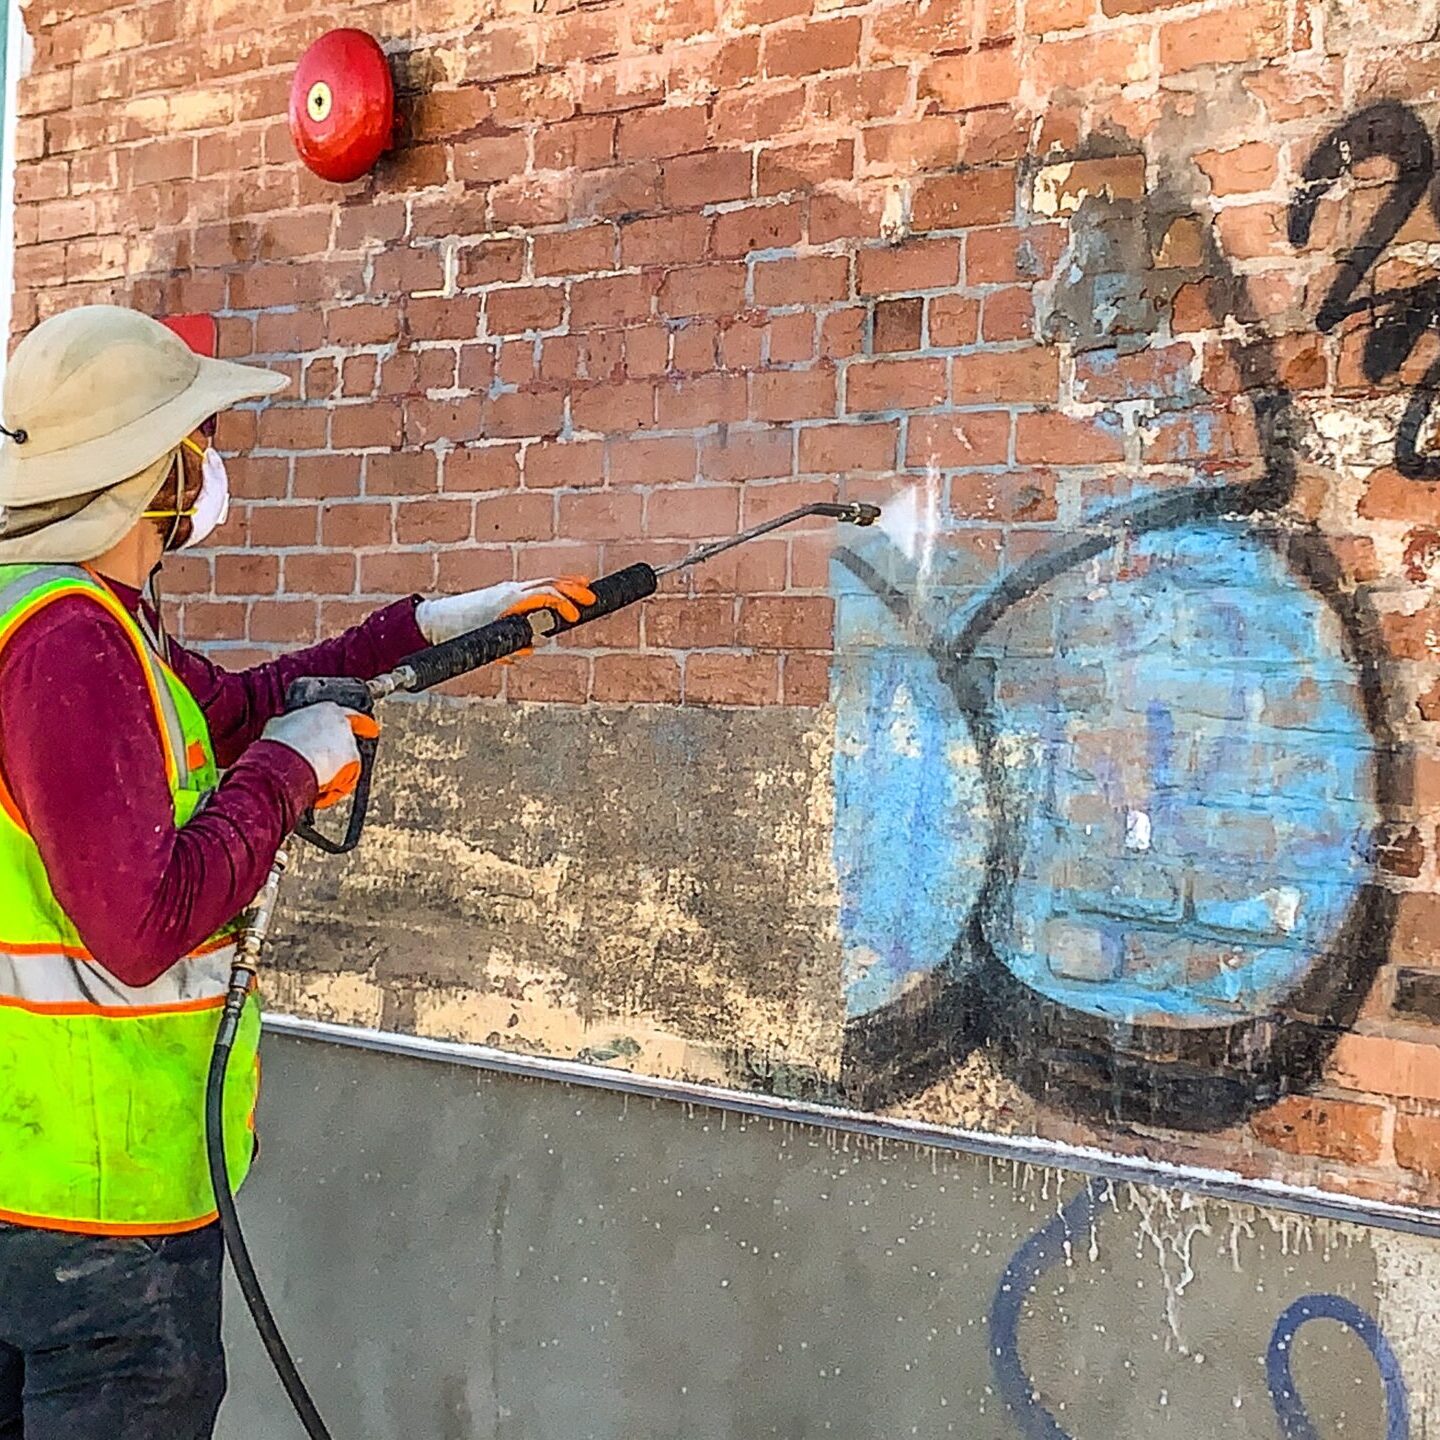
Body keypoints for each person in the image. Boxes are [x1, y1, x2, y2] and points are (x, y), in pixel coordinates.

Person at [0, 305, 595, 1439]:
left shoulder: (75, 621)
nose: (212, 469)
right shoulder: (69, 643)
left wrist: (426, 626)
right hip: (94, 1225)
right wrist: (282, 779)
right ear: (152, 472)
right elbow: (139, 925)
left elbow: (245, 710)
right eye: (201, 444)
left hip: (36, 1189)